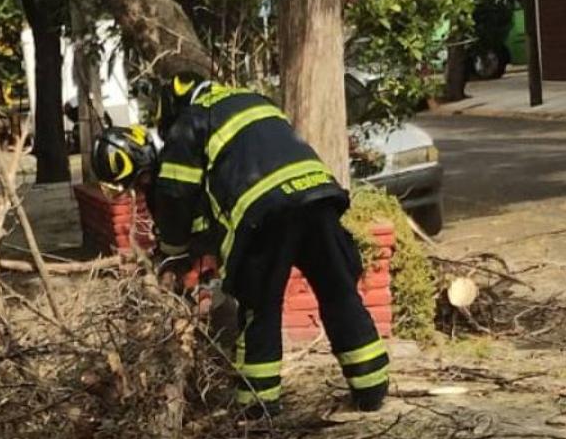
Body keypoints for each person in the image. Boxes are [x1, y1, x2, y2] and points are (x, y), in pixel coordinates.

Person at [92, 73, 391, 418]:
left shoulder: (191, 122)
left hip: (267, 216)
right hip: (319, 198)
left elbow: (176, 192)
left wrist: (172, 252)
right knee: (339, 291)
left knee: (260, 307)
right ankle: (371, 390)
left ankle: (257, 410)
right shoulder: (253, 101)